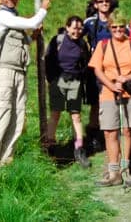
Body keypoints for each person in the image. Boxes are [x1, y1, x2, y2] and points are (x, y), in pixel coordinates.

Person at [0, 0, 51, 169]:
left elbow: (24, 39)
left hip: (20, 73)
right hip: (4, 72)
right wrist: (43, 9)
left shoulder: (14, 18)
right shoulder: (1, 16)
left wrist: (33, 37)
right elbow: (32, 22)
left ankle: (5, 162)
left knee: (18, 117)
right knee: (2, 115)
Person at [88, 10, 131, 187]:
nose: (118, 30)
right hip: (108, 92)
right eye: (114, 27)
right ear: (110, 27)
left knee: (126, 130)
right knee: (109, 131)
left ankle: (125, 168)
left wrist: (126, 78)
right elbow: (97, 69)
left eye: (121, 26)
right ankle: (113, 171)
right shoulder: (103, 45)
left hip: (129, 92)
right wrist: (111, 85)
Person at [45, 15, 91, 168]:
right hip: (57, 81)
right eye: (74, 28)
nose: (77, 31)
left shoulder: (82, 44)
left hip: (75, 82)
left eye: (79, 29)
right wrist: (51, 80)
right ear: (67, 27)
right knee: (55, 114)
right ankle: (50, 148)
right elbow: (48, 59)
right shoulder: (57, 40)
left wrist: (81, 78)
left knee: (76, 115)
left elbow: (86, 62)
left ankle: (79, 149)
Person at [82, 0, 119, 150]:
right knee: (96, 103)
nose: (104, 3)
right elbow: (76, 34)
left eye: (107, 1)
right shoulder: (90, 22)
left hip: (113, 67)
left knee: (114, 99)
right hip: (96, 68)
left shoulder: (116, 20)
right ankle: (94, 136)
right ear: (95, 4)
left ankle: (114, 131)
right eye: (101, 1)